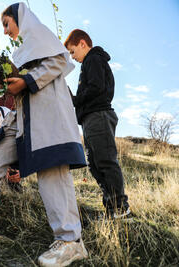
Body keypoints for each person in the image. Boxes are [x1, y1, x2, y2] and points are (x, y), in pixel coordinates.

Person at [0, 3, 88, 267]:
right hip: (21, 119)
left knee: (52, 171)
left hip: (47, 119)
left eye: (7, 24)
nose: (5, 31)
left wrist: (27, 81)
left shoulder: (40, 35)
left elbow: (60, 60)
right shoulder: (25, 47)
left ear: (21, 19)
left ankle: (71, 242)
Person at [64, 29, 130, 218]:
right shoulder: (89, 63)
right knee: (94, 164)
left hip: (99, 115)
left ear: (82, 44)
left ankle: (120, 208)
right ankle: (111, 208)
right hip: (91, 118)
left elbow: (96, 87)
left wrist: (75, 100)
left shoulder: (93, 59)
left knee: (105, 161)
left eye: (72, 51)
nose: (72, 57)